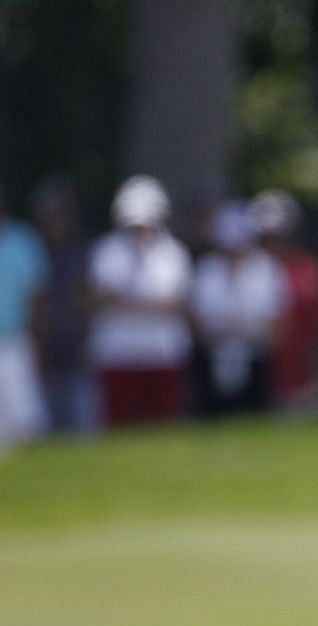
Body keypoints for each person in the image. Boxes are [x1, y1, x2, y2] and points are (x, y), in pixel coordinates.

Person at [88, 176, 194, 428]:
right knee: (120, 423)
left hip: (162, 350)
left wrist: (130, 303)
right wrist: (150, 304)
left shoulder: (173, 253)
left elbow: (177, 302)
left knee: (162, 422)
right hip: (117, 350)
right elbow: (103, 297)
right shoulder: (107, 250)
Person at [189, 201, 289, 417]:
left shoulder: (267, 268)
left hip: (255, 356)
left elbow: (277, 319)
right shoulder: (207, 270)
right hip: (213, 354)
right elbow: (195, 317)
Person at [250, 190, 318, 415]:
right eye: (265, 237)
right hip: (253, 378)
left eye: (279, 236)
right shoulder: (244, 274)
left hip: (299, 378)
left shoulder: (309, 272)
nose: (272, 244)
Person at [29, 178, 95, 435]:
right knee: (45, 424)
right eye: (50, 215)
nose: (55, 220)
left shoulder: (82, 252)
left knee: (81, 422)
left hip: (77, 347)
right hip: (45, 348)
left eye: (60, 214)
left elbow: (89, 299)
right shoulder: (34, 250)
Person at [0, 180, 52, 443]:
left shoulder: (23, 241)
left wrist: (38, 338)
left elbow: (37, 296)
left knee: (25, 417)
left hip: (16, 339)